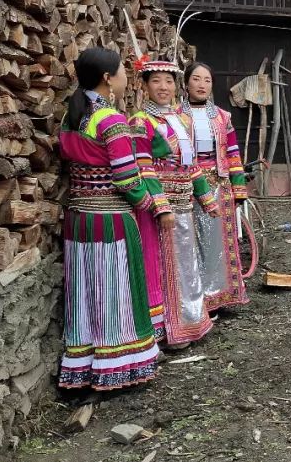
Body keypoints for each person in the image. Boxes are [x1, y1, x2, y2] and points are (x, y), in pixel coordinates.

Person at [57, 48, 170, 391]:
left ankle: (84, 367)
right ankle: (121, 365)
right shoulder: (112, 121)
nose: (124, 78)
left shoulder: (72, 117)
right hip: (112, 221)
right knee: (116, 291)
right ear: (108, 79)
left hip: (78, 221)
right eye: (122, 71)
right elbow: (126, 178)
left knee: (85, 292)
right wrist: (152, 205)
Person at [131, 60, 220, 349]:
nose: (163, 87)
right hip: (161, 209)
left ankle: (191, 323)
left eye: (168, 82)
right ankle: (168, 332)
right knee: (163, 267)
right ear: (144, 86)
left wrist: (206, 198)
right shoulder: (140, 122)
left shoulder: (182, 120)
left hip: (184, 204)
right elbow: (143, 168)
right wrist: (160, 206)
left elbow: (191, 163)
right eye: (156, 81)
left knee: (186, 265)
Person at [183, 62, 250, 313]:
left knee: (218, 244)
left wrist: (239, 189)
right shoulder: (176, 116)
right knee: (190, 243)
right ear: (186, 83)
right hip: (187, 188)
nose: (202, 85)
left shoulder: (223, 117)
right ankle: (195, 300)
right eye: (197, 79)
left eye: (207, 80)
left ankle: (221, 296)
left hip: (219, 187)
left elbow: (233, 153)